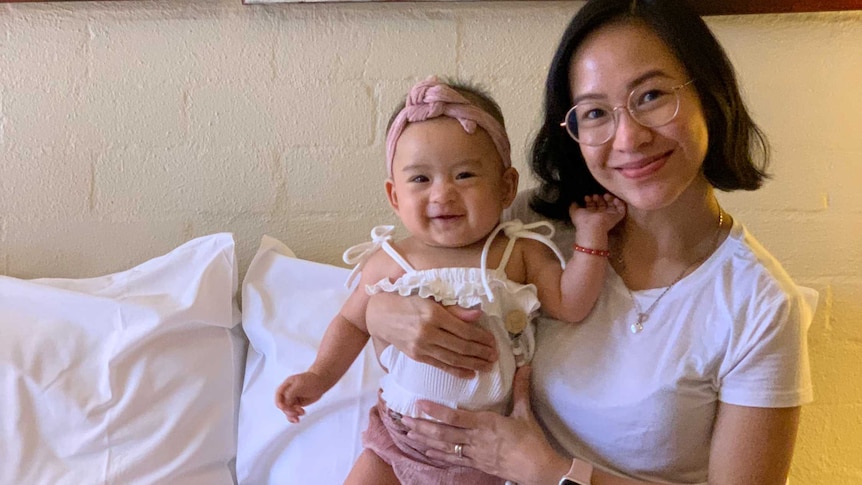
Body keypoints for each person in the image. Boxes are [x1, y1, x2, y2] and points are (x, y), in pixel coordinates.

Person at [363, 1, 816, 485]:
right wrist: (377, 313)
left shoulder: (760, 306)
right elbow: (407, 275)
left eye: (652, 96)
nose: (628, 137)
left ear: (710, 94)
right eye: (596, 112)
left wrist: (555, 473)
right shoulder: (530, 227)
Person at [274, 77, 626, 484]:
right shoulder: (389, 261)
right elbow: (352, 323)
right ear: (394, 196)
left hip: (488, 451)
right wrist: (318, 376)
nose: (442, 195)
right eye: (420, 179)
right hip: (398, 440)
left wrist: (592, 234)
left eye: (463, 175)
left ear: (507, 186)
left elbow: (571, 303)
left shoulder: (519, 253)